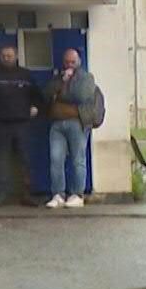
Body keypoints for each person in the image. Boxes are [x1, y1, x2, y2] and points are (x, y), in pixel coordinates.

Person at [0, 44, 40, 206]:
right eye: (4, 55)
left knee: (24, 159)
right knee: (1, 159)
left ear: (16, 56)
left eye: (10, 55)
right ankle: (0, 195)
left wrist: (35, 107)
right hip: (0, 123)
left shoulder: (26, 75)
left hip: (22, 123)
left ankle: (26, 194)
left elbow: (37, 95)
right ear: (0, 57)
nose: (7, 58)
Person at [41, 47, 104, 207]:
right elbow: (45, 94)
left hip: (77, 122)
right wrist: (62, 82)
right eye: (67, 62)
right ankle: (58, 194)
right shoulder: (58, 78)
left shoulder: (86, 77)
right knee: (56, 159)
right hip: (57, 123)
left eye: (73, 62)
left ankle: (77, 194)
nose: (69, 65)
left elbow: (81, 96)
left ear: (79, 62)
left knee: (78, 159)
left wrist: (61, 93)